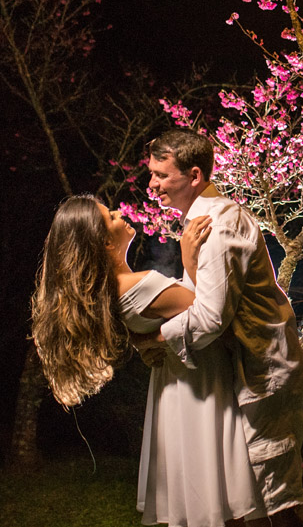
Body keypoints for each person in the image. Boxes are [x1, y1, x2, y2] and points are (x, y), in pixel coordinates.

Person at [31, 194, 268, 527]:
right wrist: (190, 262)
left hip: (180, 386)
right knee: (234, 504)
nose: (118, 213)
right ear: (101, 240)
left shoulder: (112, 291)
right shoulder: (141, 285)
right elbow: (213, 314)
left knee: (213, 503)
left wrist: (148, 339)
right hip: (202, 386)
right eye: (109, 217)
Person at [137, 129, 303, 527]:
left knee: (283, 505)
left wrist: (153, 340)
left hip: (262, 375)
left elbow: (211, 317)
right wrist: (187, 263)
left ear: (195, 175)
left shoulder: (221, 225)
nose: (151, 184)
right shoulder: (203, 222)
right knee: (256, 502)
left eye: (161, 175)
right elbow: (209, 299)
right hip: (243, 373)